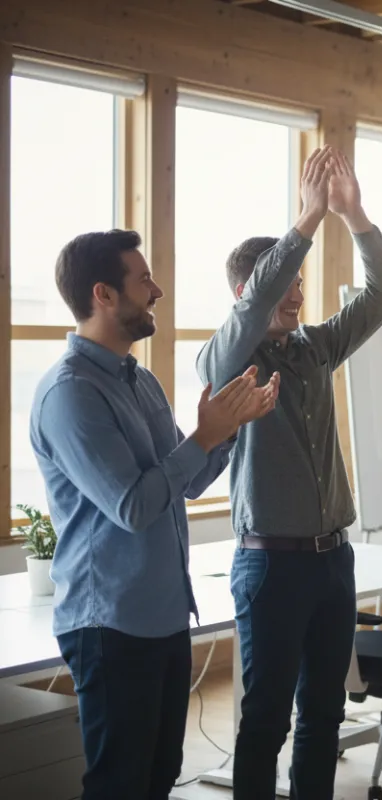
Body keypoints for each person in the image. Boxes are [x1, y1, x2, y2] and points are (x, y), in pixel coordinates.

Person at [30, 229, 277, 800]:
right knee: (121, 784)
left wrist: (228, 431)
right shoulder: (70, 393)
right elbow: (133, 506)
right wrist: (205, 435)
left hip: (163, 617)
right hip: (110, 624)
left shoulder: (140, 381)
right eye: (143, 280)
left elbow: (185, 483)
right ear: (104, 294)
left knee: (160, 775)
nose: (158, 290)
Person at [197, 144, 382, 798]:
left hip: (332, 562)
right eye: (284, 282)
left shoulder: (316, 347)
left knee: (323, 713)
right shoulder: (226, 358)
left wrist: (353, 215)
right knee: (266, 719)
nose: (297, 292)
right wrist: (308, 217)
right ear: (247, 292)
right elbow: (256, 303)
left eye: (298, 281)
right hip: (270, 567)